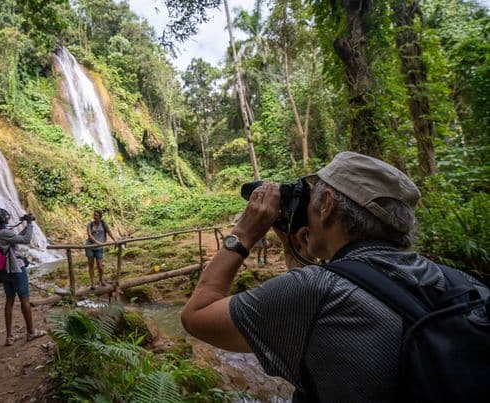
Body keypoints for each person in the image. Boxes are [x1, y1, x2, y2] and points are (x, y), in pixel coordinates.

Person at [181, 151, 489, 402]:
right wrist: (293, 251)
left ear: (326, 205)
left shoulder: (315, 291)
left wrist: (244, 233)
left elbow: (196, 317)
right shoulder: (464, 283)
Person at [0, 208, 45, 346]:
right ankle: (31, 332)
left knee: (9, 301)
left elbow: (16, 238)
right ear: (2, 219)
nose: (8, 218)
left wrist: (25, 224)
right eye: (5, 216)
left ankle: (9, 336)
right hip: (15, 269)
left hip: (4, 271)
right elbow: (25, 240)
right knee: (24, 299)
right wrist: (30, 224)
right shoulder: (4, 232)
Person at [86, 210, 116, 289]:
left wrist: (115, 240)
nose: (94, 217)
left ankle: (101, 280)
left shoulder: (103, 223)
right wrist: (97, 242)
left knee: (100, 266)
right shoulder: (90, 224)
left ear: (100, 217)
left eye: (96, 215)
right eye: (94, 215)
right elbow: (89, 235)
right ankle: (92, 283)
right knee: (91, 265)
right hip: (90, 247)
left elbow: (109, 232)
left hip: (99, 247)